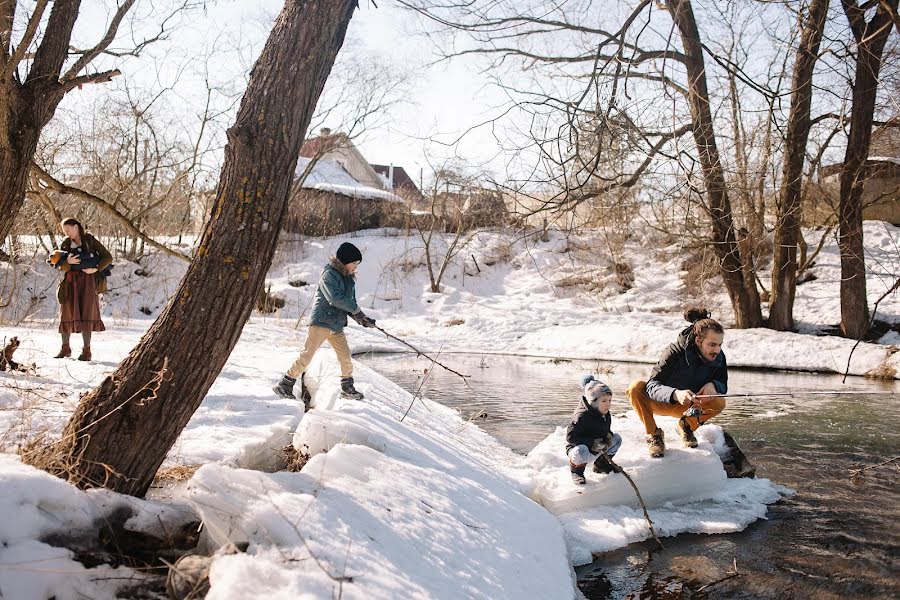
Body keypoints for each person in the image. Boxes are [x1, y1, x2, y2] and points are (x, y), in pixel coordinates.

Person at [273, 242, 376, 404]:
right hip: (321, 321)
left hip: (336, 325)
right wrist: (357, 310)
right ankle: (285, 384)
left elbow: (349, 302)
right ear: (345, 261)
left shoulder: (348, 279)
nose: (356, 267)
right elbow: (334, 298)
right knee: (307, 355)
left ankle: (347, 388)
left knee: (345, 356)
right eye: (354, 263)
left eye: (357, 264)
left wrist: (362, 318)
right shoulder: (329, 274)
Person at [627, 307, 727, 458]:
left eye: (720, 344)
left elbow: (723, 384)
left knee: (719, 402)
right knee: (635, 387)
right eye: (712, 344)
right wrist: (675, 394)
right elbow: (652, 385)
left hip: (691, 407)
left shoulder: (719, 356)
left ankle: (686, 426)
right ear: (699, 340)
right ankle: (654, 436)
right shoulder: (674, 351)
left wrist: (714, 385)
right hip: (662, 402)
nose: (717, 350)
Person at [48, 218, 112, 362]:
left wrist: (95, 269)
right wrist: (67, 262)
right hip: (70, 282)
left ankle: (86, 351)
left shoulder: (89, 240)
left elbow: (108, 257)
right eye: (65, 231)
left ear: (76, 227)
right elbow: (58, 265)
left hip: (88, 282)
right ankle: (65, 348)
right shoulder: (65, 243)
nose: (67, 233)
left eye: (68, 230)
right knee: (66, 312)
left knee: (86, 311)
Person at [566, 375, 623, 485]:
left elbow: (606, 430)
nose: (608, 404)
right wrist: (591, 443)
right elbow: (570, 437)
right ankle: (577, 472)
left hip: (598, 447)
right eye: (604, 401)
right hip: (582, 448)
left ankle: (601, 465)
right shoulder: (581, 416)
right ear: (593, 401)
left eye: (610, 400)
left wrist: (608, 438)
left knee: (616, 439)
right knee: (580, 451)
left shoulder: (605, 414)